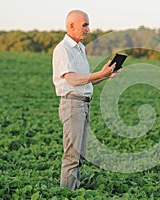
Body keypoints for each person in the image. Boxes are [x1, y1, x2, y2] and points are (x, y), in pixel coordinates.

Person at [52, 9, 119, 190]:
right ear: (71, 26)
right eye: (85, 25)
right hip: (72, 105)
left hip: (83, 104)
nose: (88, 29)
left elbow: (85, 81)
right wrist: (99, 73)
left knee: (80, 155)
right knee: (72, 156)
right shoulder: (63, 50)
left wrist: (106, 75)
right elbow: (73, 80)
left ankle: (73, 191)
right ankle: (66, 194)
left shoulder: (80, 49)